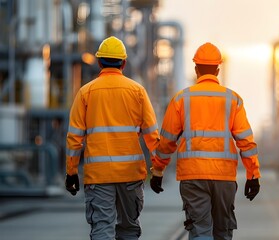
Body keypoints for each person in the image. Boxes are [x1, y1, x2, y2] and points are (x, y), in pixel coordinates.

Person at [150, 42, 261, 240]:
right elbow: (246, 142)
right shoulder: (233, 99)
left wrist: (158, 171)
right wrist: (253, 175)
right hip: (224, 177)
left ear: (196, 69)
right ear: (218, 69)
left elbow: (167, 141)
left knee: (200, 230)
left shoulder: (181, 99)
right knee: (222, 232)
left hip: (193, 177)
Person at [64, 36, 160, 240]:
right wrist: (158, 170)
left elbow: (74, 138)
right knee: (128, 229)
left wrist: (71, 171)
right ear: (123, 63)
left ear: (99, 62)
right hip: (130, 176)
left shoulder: (85, 93)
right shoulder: (137, 91)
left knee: (102, 228)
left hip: (99, 177)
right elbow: (152, 134)